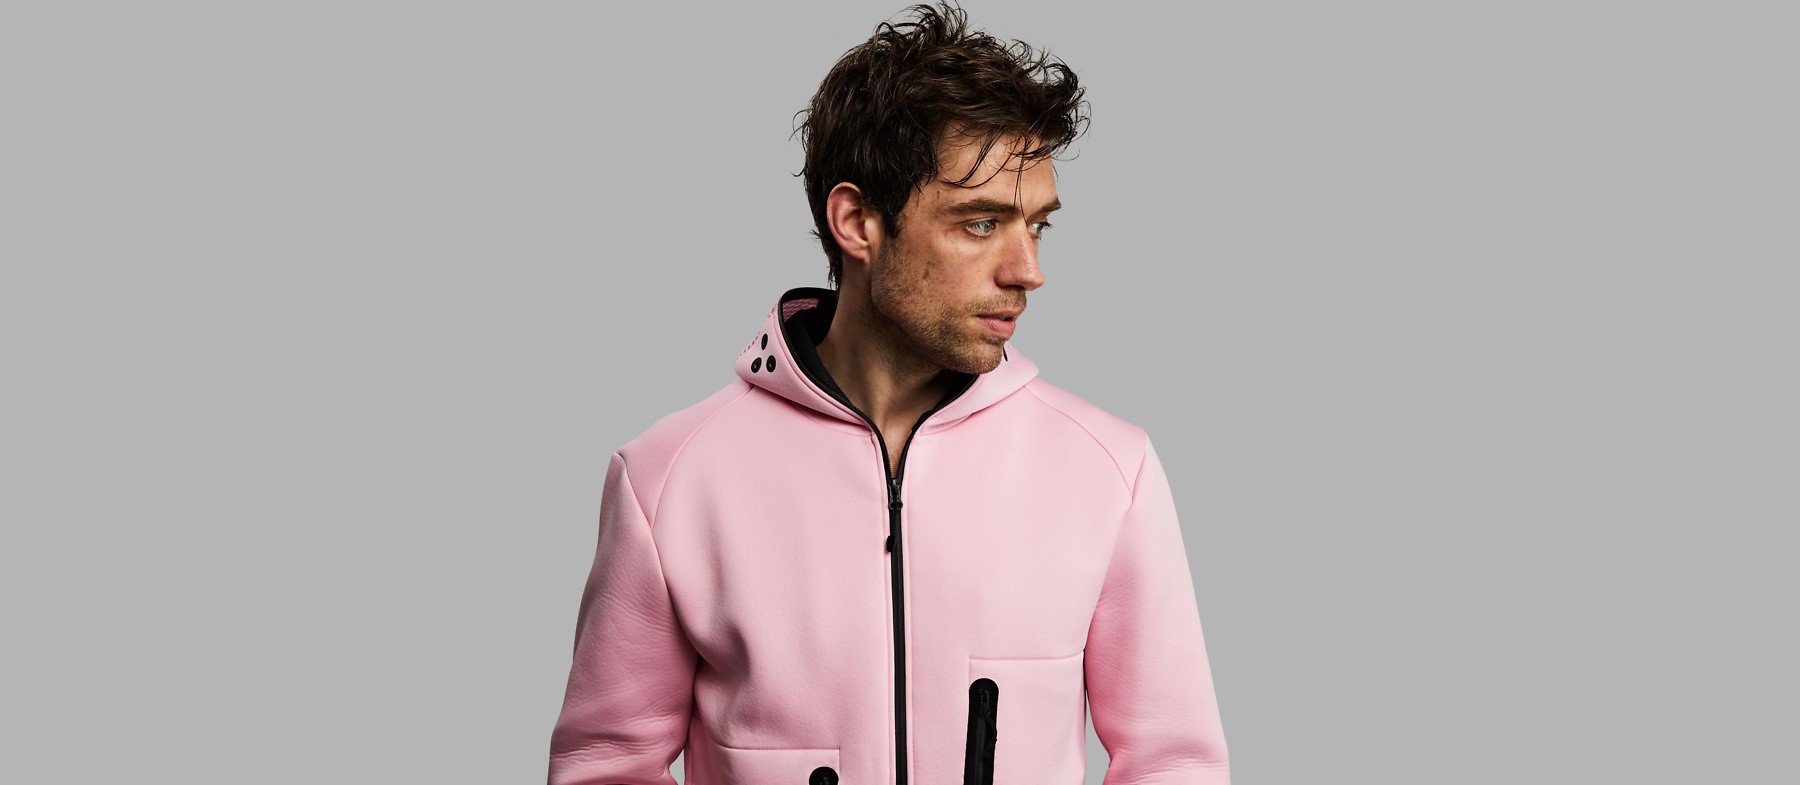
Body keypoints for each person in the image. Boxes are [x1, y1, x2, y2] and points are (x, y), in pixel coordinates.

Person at [546, 3, 1230, 784]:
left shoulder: (1109, 471)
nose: (1028, 270)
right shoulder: (669, 480)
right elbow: (605, 763)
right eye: (980, 224)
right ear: (857, 221)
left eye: (1037, 226)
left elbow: (1174, 764)